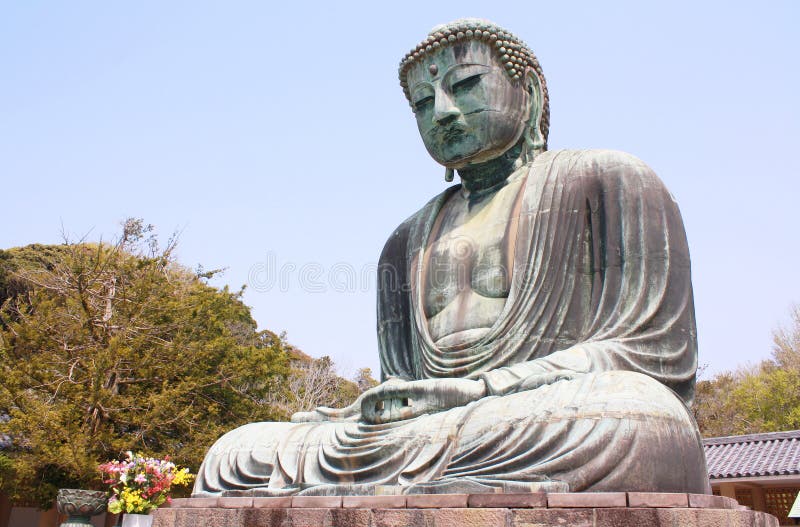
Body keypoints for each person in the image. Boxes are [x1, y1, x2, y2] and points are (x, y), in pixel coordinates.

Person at [192, 18, 710, 497]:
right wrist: (377, 407)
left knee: (636, 420)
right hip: (438, 432)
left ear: (527, 94)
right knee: (235, 452)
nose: (441, 112)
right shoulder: (405, 239)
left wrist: (476, 390)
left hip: (545, 412)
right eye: (421, 103)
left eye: (464, 86)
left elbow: (652, 357)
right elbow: (401, 382)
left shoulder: (609, 179)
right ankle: (426, 481)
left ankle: (424, 479)